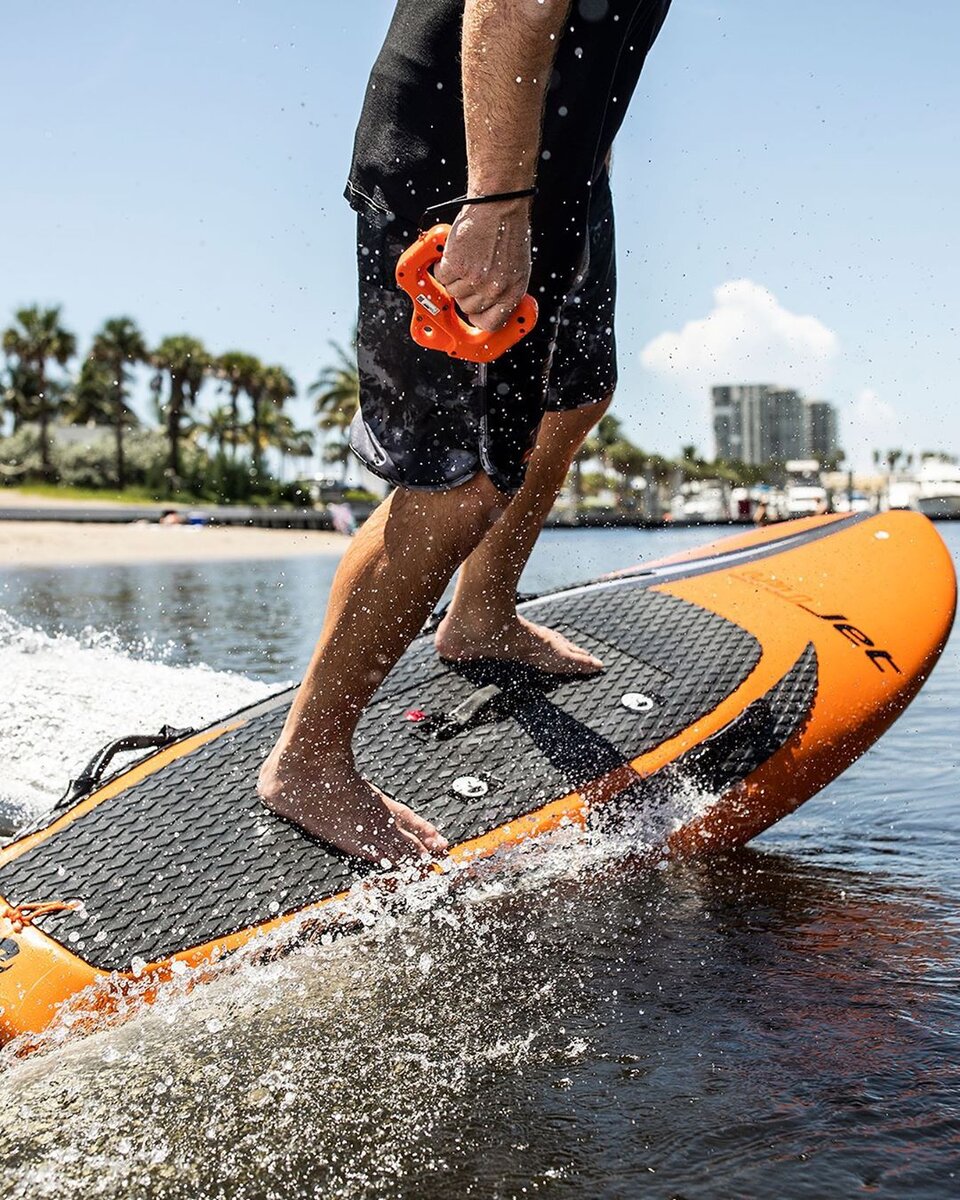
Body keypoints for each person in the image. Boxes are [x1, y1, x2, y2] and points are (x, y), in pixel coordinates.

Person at [259, 0, 673, 864]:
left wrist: (576, 176)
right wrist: (496, 202)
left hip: (551, 170)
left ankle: (481, 614)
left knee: (576, 395)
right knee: (459, 481)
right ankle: (309, 761)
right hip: (466, 171)